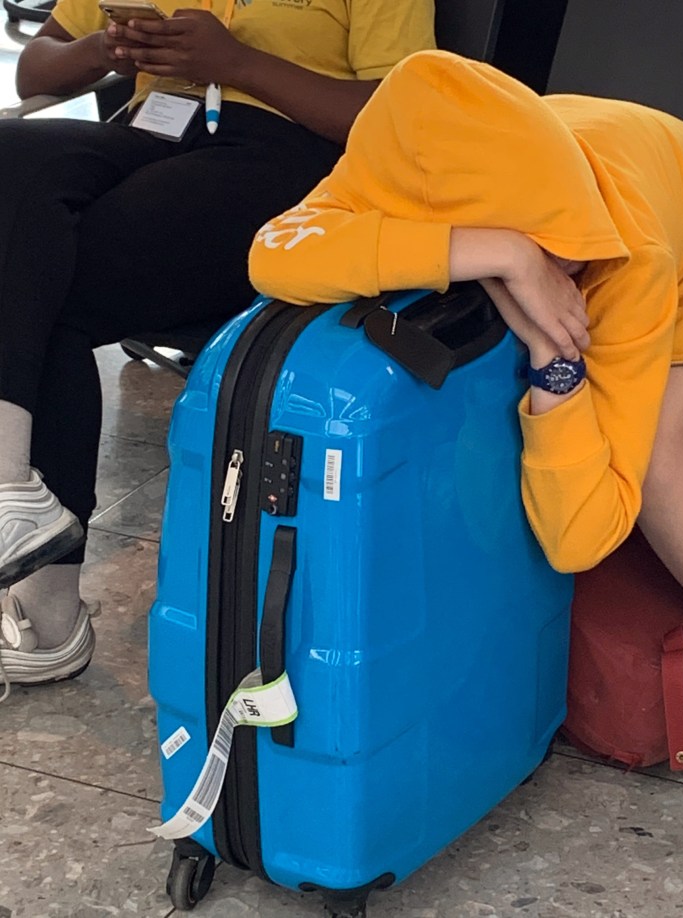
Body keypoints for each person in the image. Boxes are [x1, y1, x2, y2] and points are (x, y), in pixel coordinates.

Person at [247, 50, 683, 838]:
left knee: (658, 448)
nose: (562, 258)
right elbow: (272, 253)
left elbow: (583, 536)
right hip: (627, 212)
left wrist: (558, 374)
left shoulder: (623, 248)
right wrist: (505, 256)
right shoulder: (411, 161)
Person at [0, 0, 435, 701]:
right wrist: (104, 51)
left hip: (285, 153)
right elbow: (33, 69)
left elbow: (397, 114)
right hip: (147, 133)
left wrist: (235, 64)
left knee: (37, 280)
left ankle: (45, 614)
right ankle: (11, 495)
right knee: (8, 163)